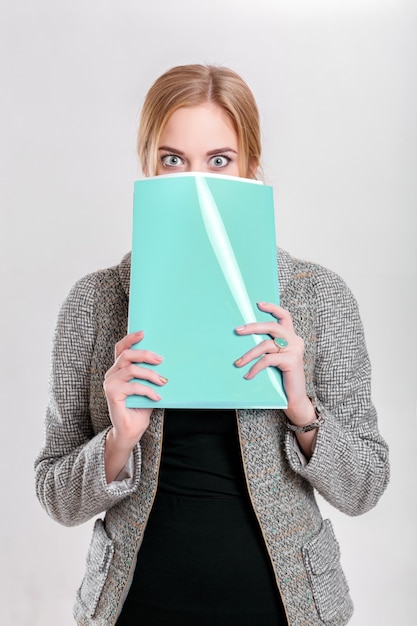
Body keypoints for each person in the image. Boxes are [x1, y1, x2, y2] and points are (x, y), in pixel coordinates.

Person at [35, 64, 389, 626]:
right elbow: (55, 495)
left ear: (251, 167)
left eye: (218, 161)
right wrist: (118, 441)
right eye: (173, 160)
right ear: (148, 166)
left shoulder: (318, 297)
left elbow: (365, 487)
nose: (195, 182)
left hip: (283, 609)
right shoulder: (96, 302)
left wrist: (302, 412)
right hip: (135, 607)